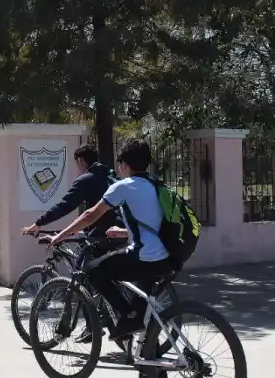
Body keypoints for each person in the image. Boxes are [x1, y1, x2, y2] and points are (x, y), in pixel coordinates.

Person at [46, 138, 170, 341]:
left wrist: (60, 236)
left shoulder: (123, 186)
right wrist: (124, 232)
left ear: (124, 165)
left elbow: (90, 215)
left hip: (145, 258)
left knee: (93, 271)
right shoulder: (157, 185)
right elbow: (155, 223)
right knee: (142, 317)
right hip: (168, 257)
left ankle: (126, 315)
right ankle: (147, 350)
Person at [21, 144, 122, 243]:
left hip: (104, 236)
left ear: (80, 161)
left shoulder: (86, 180)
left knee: (85, 253)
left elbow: (65, 205)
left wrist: (39, 222)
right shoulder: (112, 177)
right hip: (122, 232)